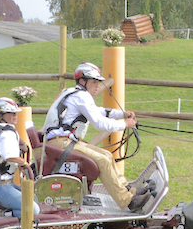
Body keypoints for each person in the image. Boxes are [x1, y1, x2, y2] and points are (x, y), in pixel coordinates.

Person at [42, 62, 152, 212]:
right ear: (82, 81)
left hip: (63, 141)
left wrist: (121, 114)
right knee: (103, 161)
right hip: (61, 143)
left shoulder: (74, 93)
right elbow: (100, 123)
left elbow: (98, 111)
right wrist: (124, 124)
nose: (97, 86)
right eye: (94, 82)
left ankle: (128, 190)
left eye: (98, 82)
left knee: (107, 155)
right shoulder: (81, 96)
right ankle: (128, 201)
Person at [0, 97, 40, 219]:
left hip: (2, 184)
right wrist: (24, 164)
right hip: (0, 186)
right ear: (1, 115)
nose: (15, 116)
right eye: (11, 113)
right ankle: (2, 215)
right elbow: (10, 157)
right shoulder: (6, 133)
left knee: (34, 200)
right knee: (33, 209)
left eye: (15, 113)